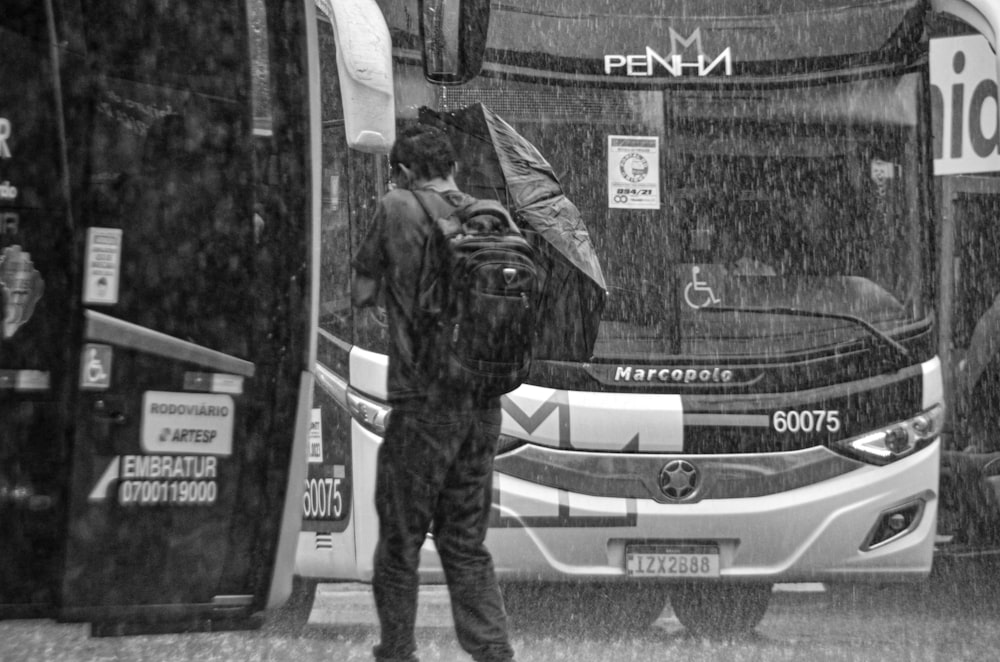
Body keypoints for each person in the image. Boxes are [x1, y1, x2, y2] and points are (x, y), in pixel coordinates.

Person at [351, 124, 517, 662]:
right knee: (465, 541)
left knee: (400, 540)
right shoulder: (492, 215)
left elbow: (360, 292)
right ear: (454, 169)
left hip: (423, 401)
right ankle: (493, 653)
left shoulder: (396, 206)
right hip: (483, 403)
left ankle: (397, 652)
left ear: (402, 170)